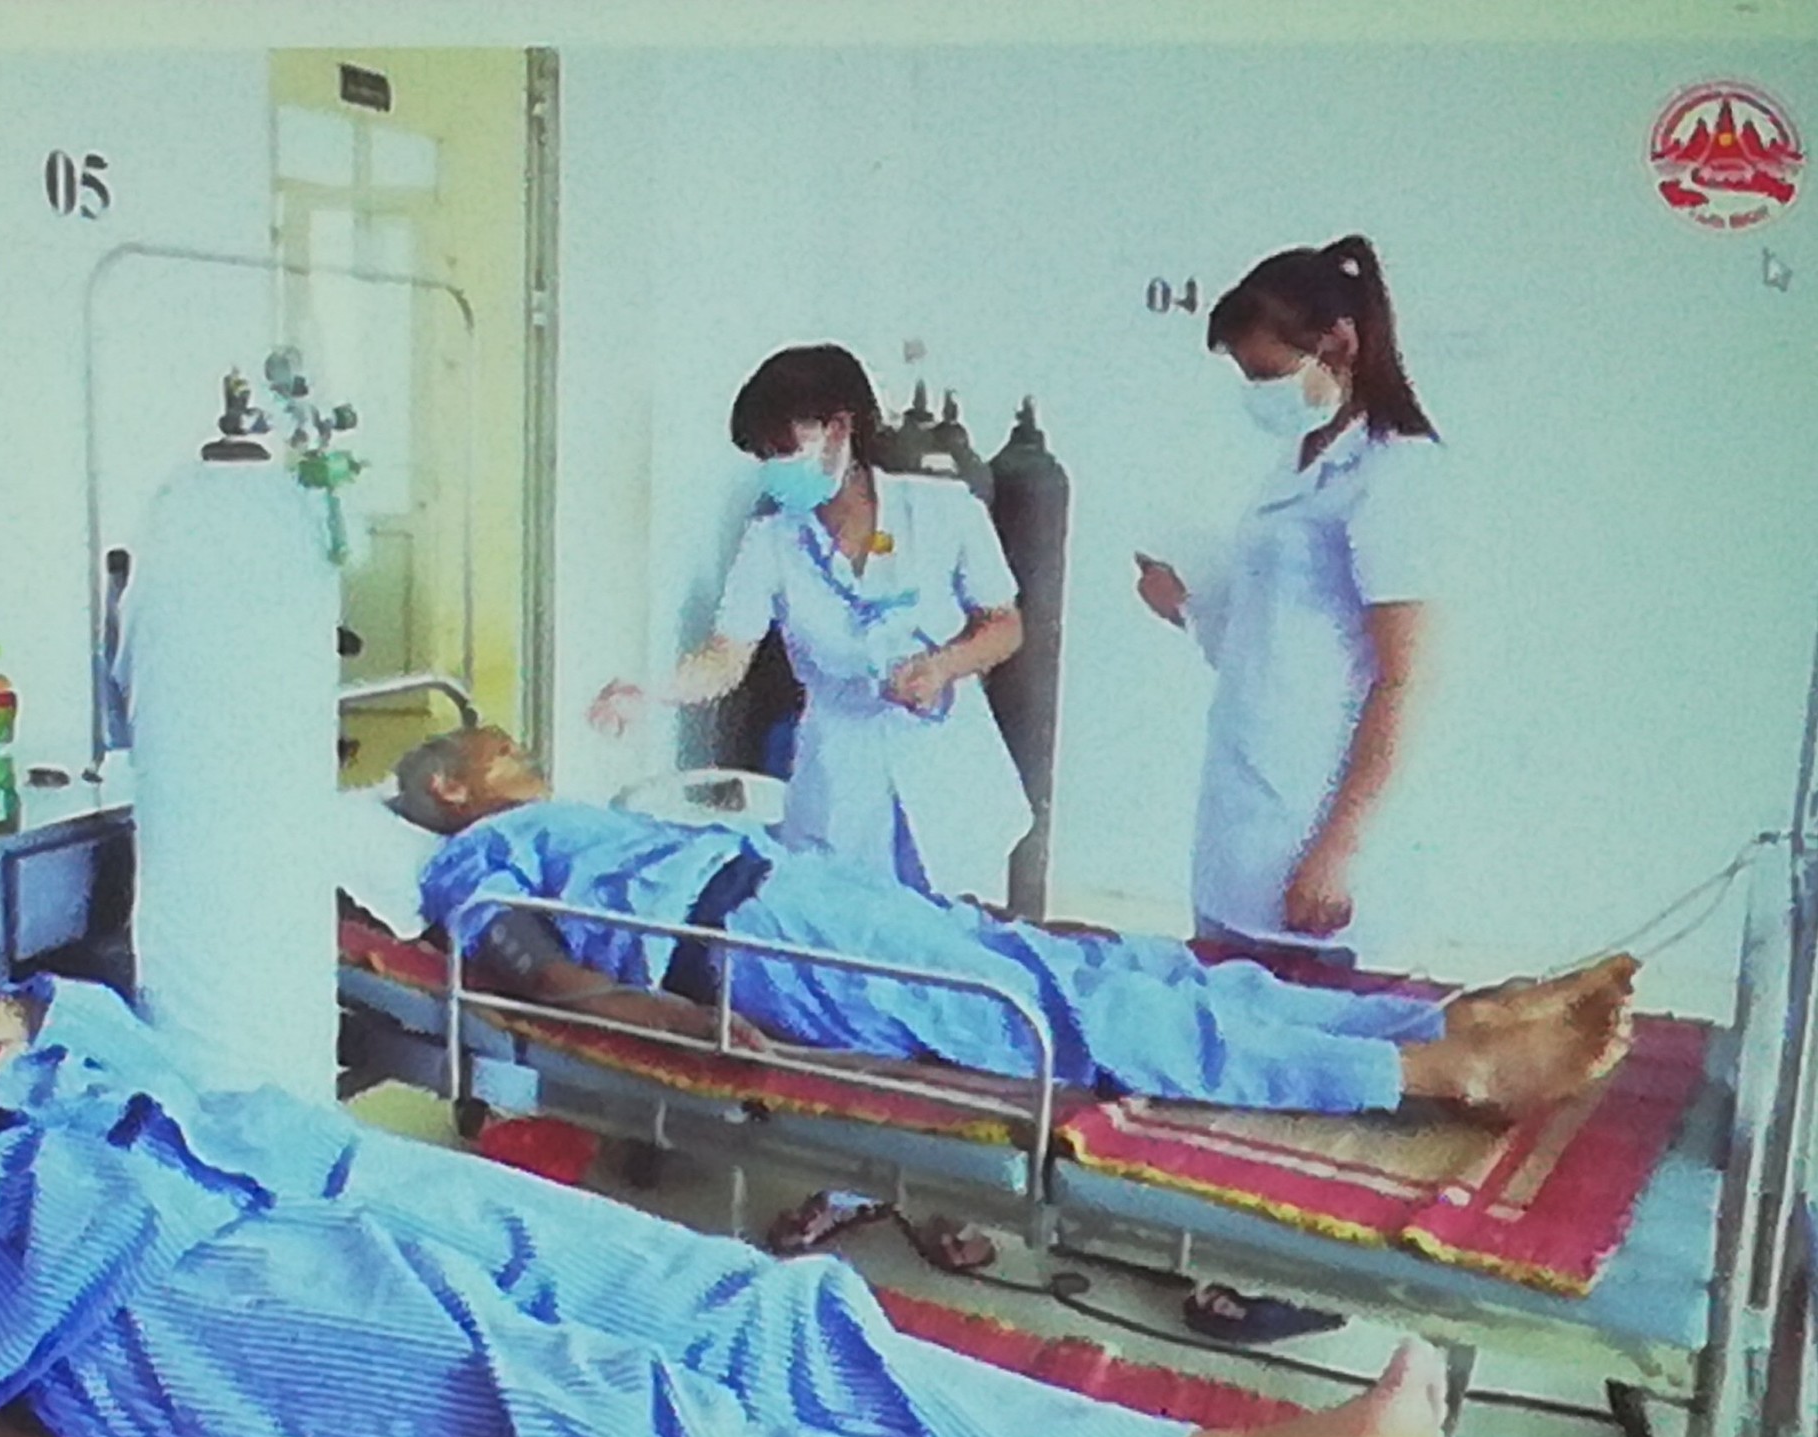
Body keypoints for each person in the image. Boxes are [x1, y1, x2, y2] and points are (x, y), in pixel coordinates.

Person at [0, 914, 1458, 1437]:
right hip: (141, 1290)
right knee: (612, 1408)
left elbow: (158, 1058)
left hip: (290, 1164)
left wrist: (53, 1016)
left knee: (737, 1294)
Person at [393, 727, 1635, 1121]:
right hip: (764, 953)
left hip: (814, 894)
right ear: (449, 787)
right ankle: (1432, 1074)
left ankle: (1439, 1019)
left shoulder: (578, 815)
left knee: (1124, 960)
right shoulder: (476, 857)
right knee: (1077, 1017)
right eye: (496, 747)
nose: (523, 749)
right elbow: (535, 973)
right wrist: (682, 1024)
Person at [593, 344, 1031, 904]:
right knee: (844, 932)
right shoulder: (770, 542)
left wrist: (943, 667)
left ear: (839, 429)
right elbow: (726, 657)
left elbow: (1004, 625)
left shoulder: (945, 511)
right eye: (764, 456)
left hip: (950, 782)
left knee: (960, 940)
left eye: (784, 449)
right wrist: (653, 691)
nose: (776, 469)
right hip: (841, 785)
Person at [1133, 236, 1442, 965]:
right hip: (1245, 825)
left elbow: (1406, 679)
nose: (1258, 395)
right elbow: (1279, 644)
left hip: (1319, 844)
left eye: (1268, 374)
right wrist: (1187, 603)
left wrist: (1339, 849)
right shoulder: (1296, 463)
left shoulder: (1395, 476)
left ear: (1339, 343)